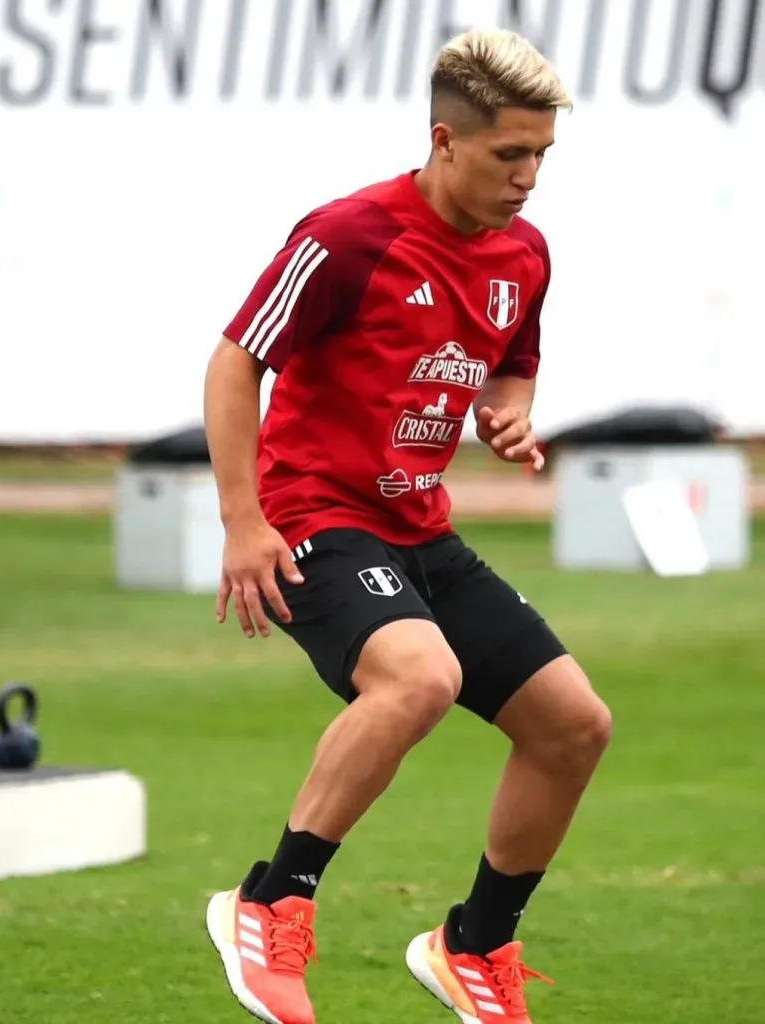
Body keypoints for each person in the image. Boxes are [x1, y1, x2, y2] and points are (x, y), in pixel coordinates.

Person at [202, 26, 612, 1024]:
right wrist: (243, 520)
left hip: (419, 529)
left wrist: (510, 407)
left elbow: (513, 354)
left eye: (540, 156)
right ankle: (268, 900)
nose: (527, 177)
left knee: (573, 725)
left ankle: (472, 943)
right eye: (507, 154)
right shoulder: (346, 237)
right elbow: (234, 360)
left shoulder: (524, 251)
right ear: (444, 140)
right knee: (421, 676)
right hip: (315, 515)